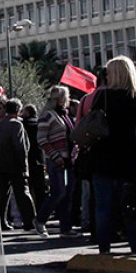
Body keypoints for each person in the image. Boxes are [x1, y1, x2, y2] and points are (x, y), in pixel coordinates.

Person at [86, 56, 136, 255]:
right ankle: (135, 247)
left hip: (104, 156)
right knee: (130, 205)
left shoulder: (103, 97)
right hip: (131, 157)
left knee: (103, 207)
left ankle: (104, 248)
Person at [0, 98, 39, 235]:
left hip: (0, 165)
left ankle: (1, 222)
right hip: (15, 165)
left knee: (3, 195)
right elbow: (21, 147)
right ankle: (30, 221)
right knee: (23, 193)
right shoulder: (17, 125)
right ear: (18, 111)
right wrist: (24, 166)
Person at [35, 86, 76, 237]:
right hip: (56, 160)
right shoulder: (48, 116)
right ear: (60, 99)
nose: (69, 100)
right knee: (58, 193)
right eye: (67, 97)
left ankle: (65, 228)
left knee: (68, 194)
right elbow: (41, 139)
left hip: (69, 159)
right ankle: (40, 219)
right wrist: (54, 155)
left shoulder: (65, 116)